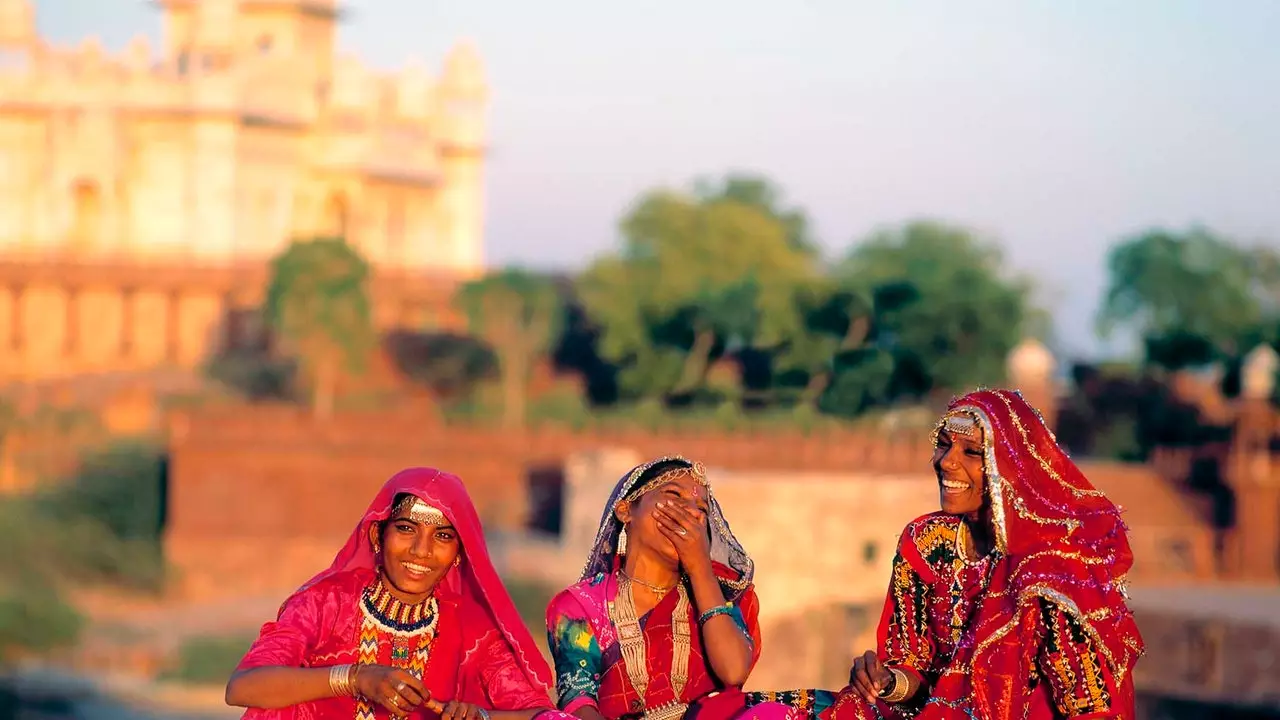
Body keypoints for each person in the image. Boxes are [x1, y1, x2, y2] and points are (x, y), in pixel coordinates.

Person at [832, 389, 1145, 720]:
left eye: (971, 452)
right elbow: (919, 682)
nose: (946, 461)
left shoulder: (1051, 568)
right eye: (943, 444)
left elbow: (1089, 704)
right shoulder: (927, 543)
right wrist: (886, 681)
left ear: (1011, 467)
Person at [225, 467, 574, 720]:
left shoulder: (473, 629)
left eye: (442, 537)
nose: (421, 551)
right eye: (406, 529)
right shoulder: (325, 603)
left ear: (458, 555)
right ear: (378, 537)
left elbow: (541, 715)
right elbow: (244, 687)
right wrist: (355, 678)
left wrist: (481, 717)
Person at [545, 455, 818, 720]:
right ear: (626, 510)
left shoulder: (716, 594)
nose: (690, 513)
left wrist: (700, 569)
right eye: (675, 496)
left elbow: (734, 672)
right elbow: (577, 701)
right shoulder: (580, 606)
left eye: (701, 509)